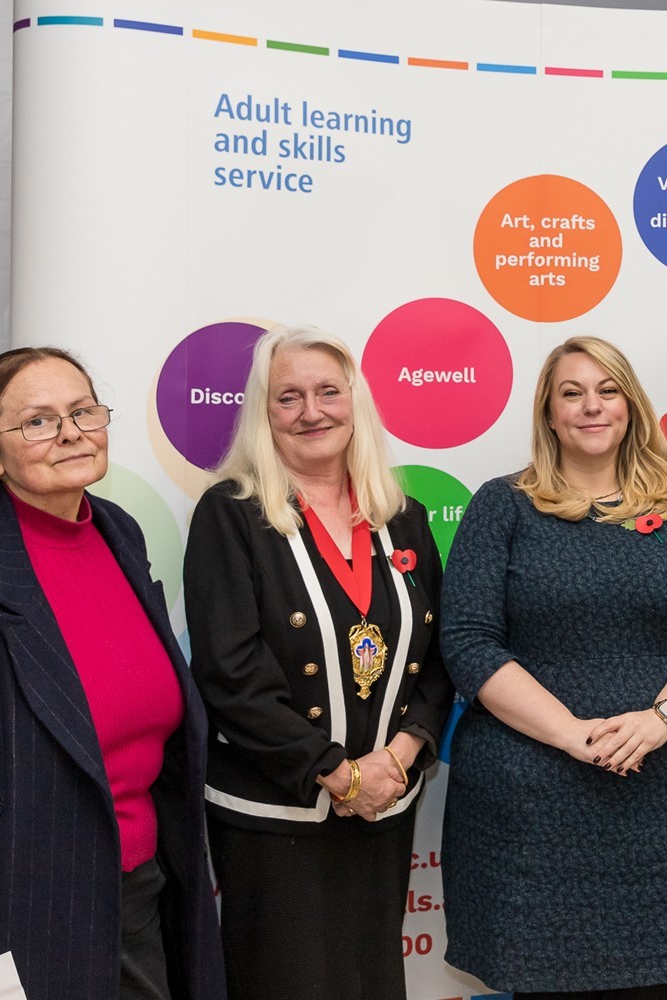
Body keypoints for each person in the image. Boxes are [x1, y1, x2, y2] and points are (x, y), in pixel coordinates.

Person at [0, 348, 224, 1000]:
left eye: (82, 410)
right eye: (37, 421)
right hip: (12, 908)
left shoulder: (120, 533)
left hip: (141, 889)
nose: (69, 432)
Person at [440, 335, 667, 999]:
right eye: (571, 394)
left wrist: (660, 720)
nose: (591, 407)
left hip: (662, 806)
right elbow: (469, 641)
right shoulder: (503, 506)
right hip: (532, 814)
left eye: (607, 391)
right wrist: (573, 734)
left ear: (631, 406)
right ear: (548, 414)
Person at [184, 325, 451, 1000]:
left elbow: (439, 654)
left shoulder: (404, 517)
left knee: (372, 983)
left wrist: (401, 755)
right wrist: (334, 771)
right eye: (288, 398)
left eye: (328, 391)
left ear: (355, 401)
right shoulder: (232, 514)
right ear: (263, 414)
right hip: (278, 815)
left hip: (385, 805)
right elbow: (229, 671)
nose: (312, 412)